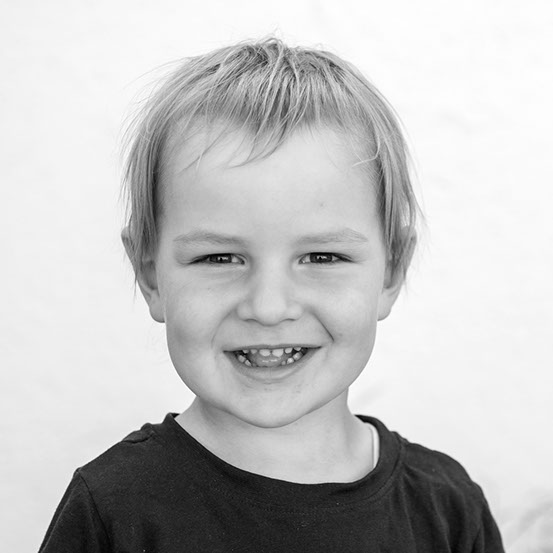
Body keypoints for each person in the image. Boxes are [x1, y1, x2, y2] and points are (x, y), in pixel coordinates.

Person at [38, 36, 505, 552]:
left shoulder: (448, 509)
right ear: (151, 277)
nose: (268, 307)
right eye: (219, 258)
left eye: (322, 257)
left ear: (391, 271)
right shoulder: (112, 510)